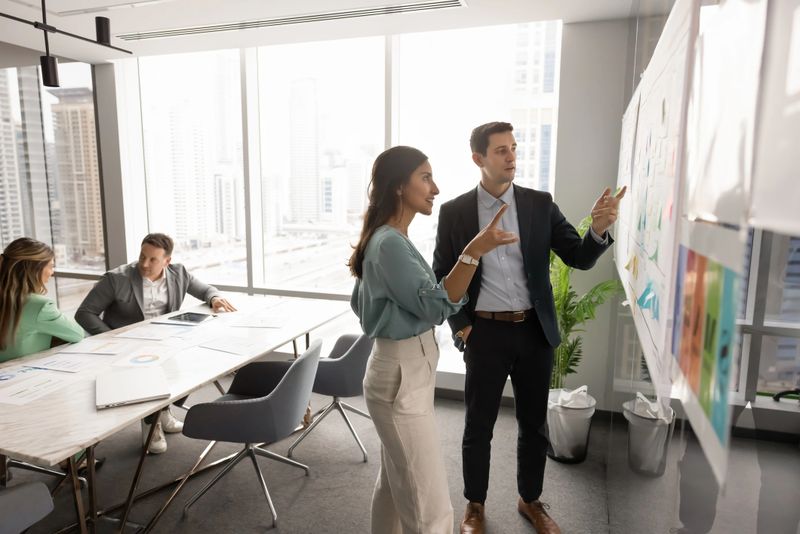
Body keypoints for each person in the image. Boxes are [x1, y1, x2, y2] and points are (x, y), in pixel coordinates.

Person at [432, 122, 626, 534]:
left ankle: (530, 499)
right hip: (484, 333)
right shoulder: (456, 212)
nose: (511, 156)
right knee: (478, 425)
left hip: (534, 332)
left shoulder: (539, 204)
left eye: (514, 148)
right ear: (478, 159)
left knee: (533, 425)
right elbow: (442, 276)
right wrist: (463, 327)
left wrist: (599, 229)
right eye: (501, 150)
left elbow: (578, 256)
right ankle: (475, 505)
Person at [350, 146, 517, 534]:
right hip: (401, 377)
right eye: (425, 177)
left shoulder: (387, 238)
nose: (435, 188)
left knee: (396, 486)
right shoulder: (389, 243)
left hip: (401, 372)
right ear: (398, 186)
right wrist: (473, 252)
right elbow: (436, 308)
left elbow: (363, 305)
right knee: (429, 505)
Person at [75, 233, 236, 454]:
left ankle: (164, 412)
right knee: (147, 379)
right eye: (142, 256)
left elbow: (206, 290)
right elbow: (85, 313)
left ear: (166, 261)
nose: (144, 263)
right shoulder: (116, 279)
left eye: (152, 259)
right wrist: (113, 338)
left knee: (185, 370)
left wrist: (214, 299)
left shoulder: (178, 273)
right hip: (127, 347)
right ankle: (151, 425)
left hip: (164, 341)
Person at [0, 238, 84, 362]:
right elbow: (77, 334)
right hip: (21, 375)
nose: (52, 272)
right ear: (35, 270)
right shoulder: (40, 306)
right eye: (51, 266)